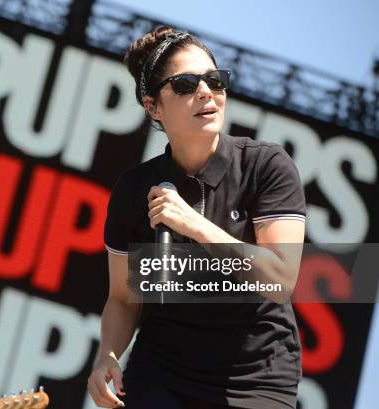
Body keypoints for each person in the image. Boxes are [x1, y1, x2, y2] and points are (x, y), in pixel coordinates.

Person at [87, 27, 306, 409]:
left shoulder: (266, 164)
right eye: (185, 84)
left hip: (255, 377)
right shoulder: (133, 188)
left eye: (215, 80)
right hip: (162, 373)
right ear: (153, 107)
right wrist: (108, 353)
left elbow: (280, 278)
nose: (206, 92)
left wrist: (195, 224)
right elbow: (123, 299)